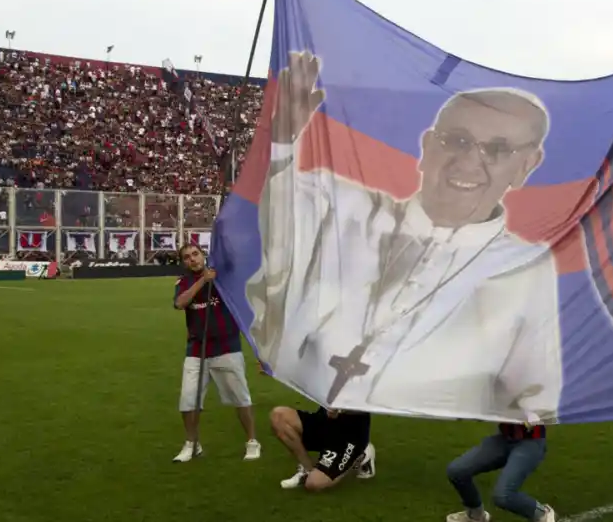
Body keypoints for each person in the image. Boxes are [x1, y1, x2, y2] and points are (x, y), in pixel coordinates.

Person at [246, 51, 562, 422]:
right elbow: (279, 221)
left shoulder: (525, 268)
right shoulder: (345, 207)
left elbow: (534, 395)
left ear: (526, 166)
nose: (470, 161)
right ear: (427, 147)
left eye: (498, 149)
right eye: (457, 140)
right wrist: (283, 141)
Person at [172, 243, 261, 463]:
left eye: (195, 254)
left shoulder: (224, 278)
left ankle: (251, 441)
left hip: (226, 347)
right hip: (196, 349)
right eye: (187, 257)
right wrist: (203, 281)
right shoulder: (183, 282)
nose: (192, 259)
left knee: (240, 398)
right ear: (183, 262)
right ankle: (192, 444)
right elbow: (180, 303)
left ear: (203, 255)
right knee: (188, 400)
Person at [445, 421, 555, 522]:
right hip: (503, 439)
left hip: (531, 442)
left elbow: (550, 413)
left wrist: (537, 418)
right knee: (456, 471)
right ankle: (476, 515)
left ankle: (543, 514)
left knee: (503, 496)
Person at [270, 404, 376, 491]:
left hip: (349, 435)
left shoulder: (362, 380)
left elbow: (369, 404)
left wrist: (341, 410)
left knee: (314, 484)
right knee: (278, 416)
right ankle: (307, 469)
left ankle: (362, 453)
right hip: (324, 422)